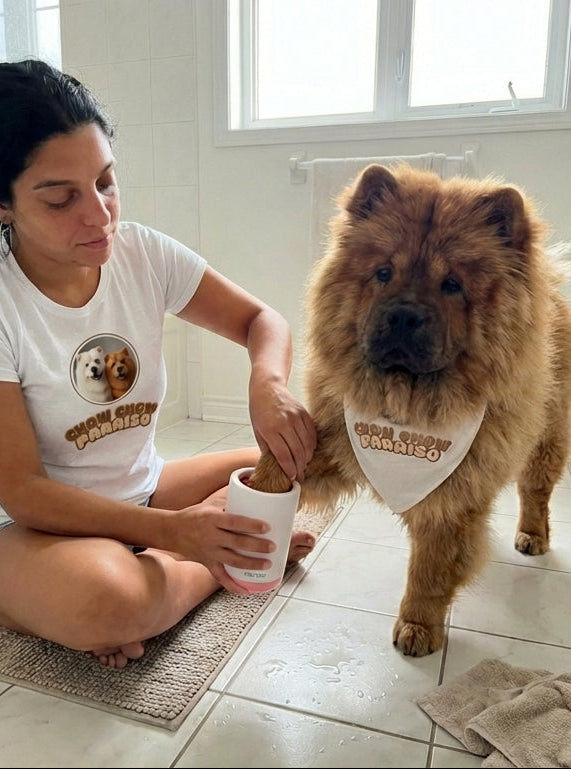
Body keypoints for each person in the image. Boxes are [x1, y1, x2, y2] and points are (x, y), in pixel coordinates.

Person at [0, 59, 317, 669]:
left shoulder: (141, 253)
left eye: (106, 182)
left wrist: (267, 383)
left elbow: (262, 322)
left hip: (140, 494)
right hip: (32, 526)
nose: (98, 215)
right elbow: (22, 492)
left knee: (290, 459)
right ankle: (200, 572)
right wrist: (181, 539)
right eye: (61, 198)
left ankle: (143, 582)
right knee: (105, 601)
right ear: (2, 203)